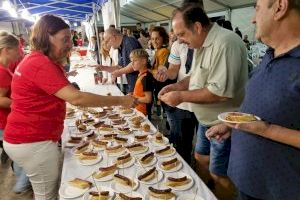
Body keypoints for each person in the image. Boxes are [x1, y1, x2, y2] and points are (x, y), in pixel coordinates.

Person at [3, 14, 136, 200]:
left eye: (70, 39)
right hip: (32, 140)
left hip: (29, 137)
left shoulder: (38, 59)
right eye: (64, 39)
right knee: (46, 196)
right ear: (46, 37)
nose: (69, 44)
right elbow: (77, 98)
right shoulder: (39, 62)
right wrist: (121, 101)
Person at [206, 0, 300, 199]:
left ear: (280, 7)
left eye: (257, 8)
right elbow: (262, 104)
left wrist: (266, 129)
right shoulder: (269, 54)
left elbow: (266, 123)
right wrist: (232, 124)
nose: (253, 18)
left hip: (279, 191)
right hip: (248, 182)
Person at [158, 4, 248, 199]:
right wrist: (177, 87)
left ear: (197, 27)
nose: (180, 40)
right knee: (199, 157)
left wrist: (180, 97)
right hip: (206, 119)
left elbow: (221, 92)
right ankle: (203, 194)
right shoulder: (201, 43)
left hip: (223, 123)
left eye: (181, 34)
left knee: (220, 173)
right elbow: (196, 76)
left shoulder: (225, 43)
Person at [155, 39, 198, 163]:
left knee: (203, 147)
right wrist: (166, 73)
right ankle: (185, 170)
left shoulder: (207, 42)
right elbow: (174, 70)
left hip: (204, 101)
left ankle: (201, 175)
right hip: (183, 102)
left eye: (181, 33)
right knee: (183, 142)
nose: (178, 38)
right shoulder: (177, 45)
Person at [0, 31, 31, 193]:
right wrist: (23, 105)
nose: (19, 53)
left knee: (20, 155)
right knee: (26, 154)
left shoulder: (5, 69)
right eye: (16, 49)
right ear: (6, 50)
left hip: (8, 120)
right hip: (5, 121)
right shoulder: (2, 71)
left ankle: (23, 184)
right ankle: (22, 186)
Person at [98, 28, 142, 94]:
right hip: (133, 83)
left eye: (107, 41)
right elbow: (119, 66)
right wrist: (103, 68)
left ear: (113, 38)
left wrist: (120, 72)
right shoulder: (120, 46)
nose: (108, 44)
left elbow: (135, 63)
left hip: (140, 83)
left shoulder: (129, 42)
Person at [130, 49, 154, 119]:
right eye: (131, 61)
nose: (132, 64)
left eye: (135, 61)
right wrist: (132, 94)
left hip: (143, 113)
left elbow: (148, 99)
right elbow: (141, 92)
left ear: (144, 61)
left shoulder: (146, 77)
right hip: (138, 110)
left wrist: (134, 99)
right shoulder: (141, 75)